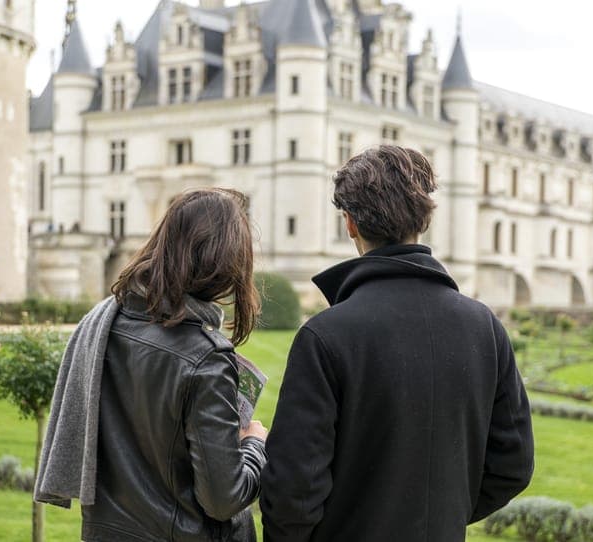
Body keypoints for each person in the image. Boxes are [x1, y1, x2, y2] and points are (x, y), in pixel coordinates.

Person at [260, 146, 534, 541]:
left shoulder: (325, 336)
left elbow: (292, 494)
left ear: (349, 223)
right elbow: (513, 466)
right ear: (423, 221)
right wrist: (439, 514)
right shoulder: (485, 327)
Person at [35, 188, 269, 542]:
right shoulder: (205, 357)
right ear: (226, 264)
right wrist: (254, 445)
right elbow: (224, 499)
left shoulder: (106, 322)